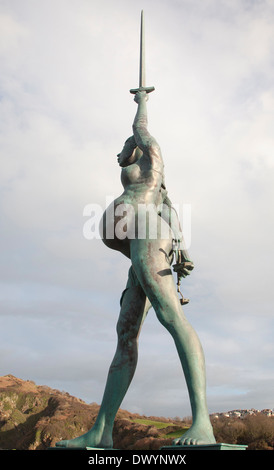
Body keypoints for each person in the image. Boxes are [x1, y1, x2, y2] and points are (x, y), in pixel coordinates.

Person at [56, 91, 215, 448]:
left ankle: (202, 423)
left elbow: (141, 127)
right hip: (136, 248)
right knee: (125, 333)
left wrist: (140, 101)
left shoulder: (153, 160)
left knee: (171, 317)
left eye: (132, 151)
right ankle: (102, 431)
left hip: (146, 234)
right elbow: (170, 213)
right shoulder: (150, 186)